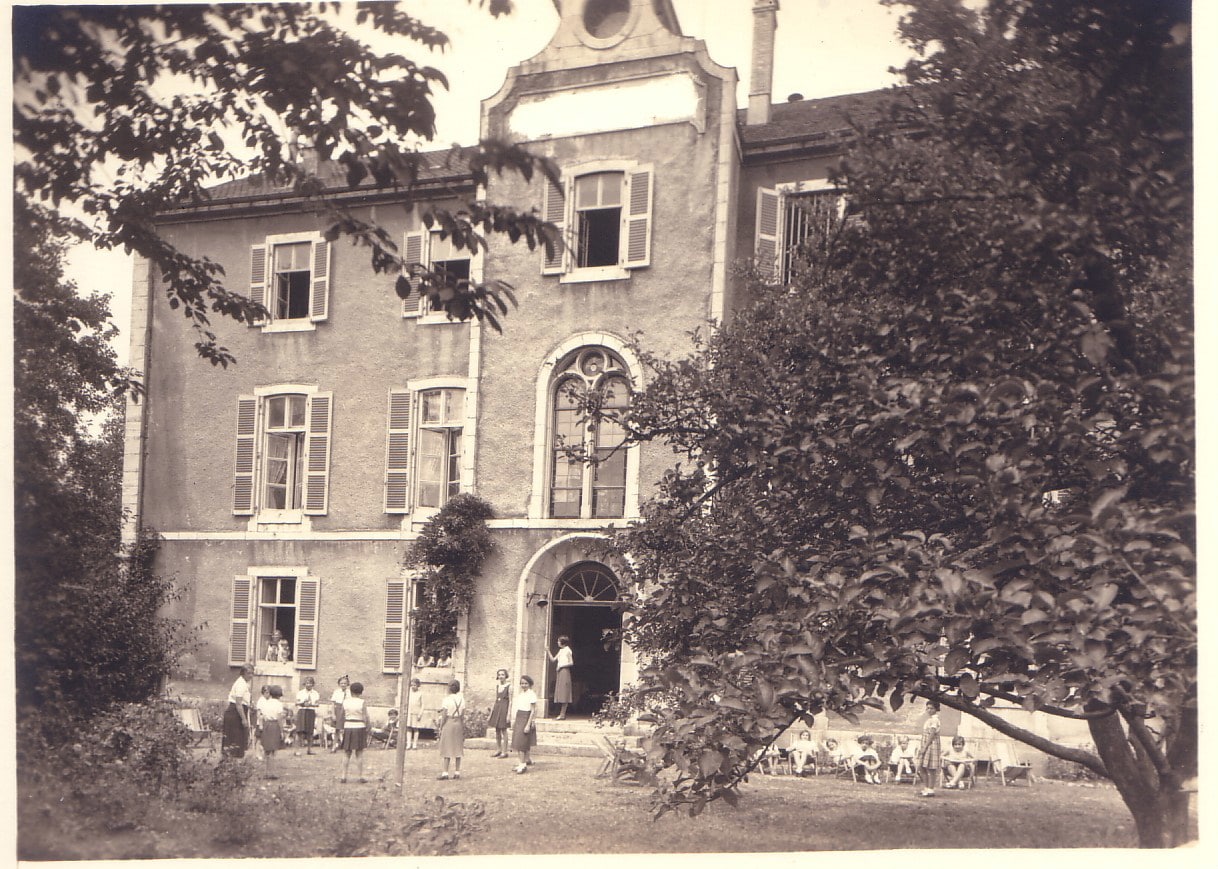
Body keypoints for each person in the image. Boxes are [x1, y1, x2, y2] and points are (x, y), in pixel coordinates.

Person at [339, 681, 370, 783]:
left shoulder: (345, 702)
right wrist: (368, 727)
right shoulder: (362, 702)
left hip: (348, 727)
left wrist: (341, 727)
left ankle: (343, 776)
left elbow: (341, 716)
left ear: (350, 691)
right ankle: (360, 776)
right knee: (359, 753)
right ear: (361, 692)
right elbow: (365, 716)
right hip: (359, 727)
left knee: (346, 753)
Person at [436, 679, 466, 780]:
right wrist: (462, 725)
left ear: (449, 688)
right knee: (458, 747)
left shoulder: (447, 699)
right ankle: (457, 772)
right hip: (458, 723)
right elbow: (462, 715)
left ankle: (445, 772)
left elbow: (444, 715)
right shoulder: (462, 699)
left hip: (449, 722)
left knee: (447, 747)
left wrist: (441, 727)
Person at [221, 664, 253, 758]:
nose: (251, 676)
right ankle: (231, 759)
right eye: (248, 673)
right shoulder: (241, 684)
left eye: (252, 673)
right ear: (243, 673)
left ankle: (234, 758)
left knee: (238, 738)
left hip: (238, 711)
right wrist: (244, 719)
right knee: (234, 737)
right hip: (235, 713)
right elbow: (238, 703)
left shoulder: (244, 683)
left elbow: (244, 700)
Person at [511, 675, 538, 773]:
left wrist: (528, 724)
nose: (524, 685)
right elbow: (519, 708)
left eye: (526, 683)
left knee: (521, 742)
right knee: (519, 741)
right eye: (522, 683)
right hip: (519, 716)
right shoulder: (521, 694)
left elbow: (533, 710)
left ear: (530, 684)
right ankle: (523, 762)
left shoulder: (531, 694)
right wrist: (515, 720)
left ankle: (522, 765)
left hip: (526, 717)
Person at [258, 684, 286, 778]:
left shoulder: (266, 702)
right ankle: (272, 773)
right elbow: (279, 718)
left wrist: (262, 725)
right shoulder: (278, 704)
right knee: (273, 750)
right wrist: (282, 731)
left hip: (266, 725)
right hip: (274, 725)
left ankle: (267, 772)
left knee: (267, 750)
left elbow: (261, 715)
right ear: (279, 695)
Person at [918, 701, 942, 797]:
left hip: (931, 745)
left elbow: (931, 735)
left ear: (936, 709)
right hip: (926, 743)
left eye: (931, 708)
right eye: (927, 708)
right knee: (922, 767)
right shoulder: (930, 719)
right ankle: (926, 787)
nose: (929, 710)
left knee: (931, 768)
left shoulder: (935, 720)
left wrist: (925, 747)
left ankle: (931, 789)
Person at [486, 668, 512, 758]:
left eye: (502, 675)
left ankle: (505, 751)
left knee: (504, 730)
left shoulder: (509, 687)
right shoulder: (497, 686)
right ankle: (498, 749)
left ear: (506, 676)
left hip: (504, 709)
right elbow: (495, 700)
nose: (501, 676)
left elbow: (511, 701)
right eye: (499, 675)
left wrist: (509, 714)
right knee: (497, 730)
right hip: (497, 709)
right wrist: (491, 714)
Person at [547, 635, 574, 720]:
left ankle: (562, 714)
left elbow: (571, 662)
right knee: (560, 692)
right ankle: (561, 714)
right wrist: (548, 651)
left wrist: (561, 666)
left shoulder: (568, 650)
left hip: (564, 671)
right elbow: (553, 660)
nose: (557, 642)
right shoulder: (561, 650)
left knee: (564, 693)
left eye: (559, 641)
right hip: (560, 672)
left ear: (563, 642)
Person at [296, 676, 320, 754]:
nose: (308, 685)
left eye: (310, 683)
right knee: (300, 731)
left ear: (313, 684)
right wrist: (302, 703)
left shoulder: (315, 693)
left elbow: (317, 704)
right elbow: (297, 703)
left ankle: (309, 749)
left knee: (310, 731)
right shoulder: (300, 693)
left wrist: (311, 704)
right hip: (302, 711)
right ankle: (298, 750)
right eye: (307, 683)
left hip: (310, 711)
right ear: (304, 684)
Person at [330, 674, 350, 753]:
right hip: (338, 710)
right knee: (337, 729)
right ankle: (334, 746)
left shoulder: (349, 692)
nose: (343, 685)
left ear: (347, 684)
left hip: (346, 710)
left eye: (345, 683)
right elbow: (333, 704)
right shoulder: (336, 692)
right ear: (339, 684)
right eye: (341, 683)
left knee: (347, 729)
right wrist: (333, 714)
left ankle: (346, 746)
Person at [404, 677, 425, 749]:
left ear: (418, 685)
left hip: (416, 713)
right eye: (412, 685)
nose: (413, 687)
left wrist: (420, 714)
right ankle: (408, 744)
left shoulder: (420, 694)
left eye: (414, 685)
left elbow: (423, 705)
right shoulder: (409, 692)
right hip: (409, 712)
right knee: (408, 728)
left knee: (415, 728)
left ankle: (414, 744)